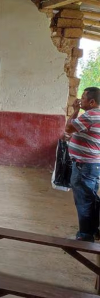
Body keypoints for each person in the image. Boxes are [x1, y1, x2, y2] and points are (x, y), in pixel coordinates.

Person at [65, 86, 100, 241]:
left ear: (92, 102)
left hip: (84, 165)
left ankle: (85, 236)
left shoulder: (91, 115)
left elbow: (68, 128)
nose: (80, 100)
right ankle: (95, 229)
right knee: (90, 198)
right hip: (93, 164)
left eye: (83, 98)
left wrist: (75, 110)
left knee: (84, 201)